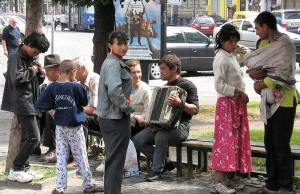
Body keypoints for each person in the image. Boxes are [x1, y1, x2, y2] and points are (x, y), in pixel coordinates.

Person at [247, 11, 299, 194]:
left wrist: (262, 83)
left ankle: (286, 186)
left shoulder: (285, 44)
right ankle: (272, 184)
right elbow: (256, 67)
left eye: (257, 28)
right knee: (269, 142)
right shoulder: (263, 44)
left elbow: (285, 72)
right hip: (268, 101)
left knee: (281, 145)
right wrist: (252, 75)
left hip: (285, 101)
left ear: (265, 26)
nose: (256, 32)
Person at [35, 60, 102, 194]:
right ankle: (88, 185)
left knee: (61, 157)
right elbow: (84, 102)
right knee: (81, 156)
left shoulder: (52, 87)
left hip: (60, 127)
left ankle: (60, 188)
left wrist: (55, 107)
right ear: (73, 72)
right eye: (75, 73)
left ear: (59, 71)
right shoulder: (76, 87)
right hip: (74, 127)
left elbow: (40, 103)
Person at [133, 54, 199, 181]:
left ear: (174, 68)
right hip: (161, 126)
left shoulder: (188, 85)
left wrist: (181, 104)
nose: (160, 71)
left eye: (163, 69)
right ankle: (166, 163)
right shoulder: (163, 87)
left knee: (161, 136)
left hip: (181, 126)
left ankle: (156, 170)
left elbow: (195, 109)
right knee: (138, 140)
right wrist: (152, 122)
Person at [209, 24, 252, 194]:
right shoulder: (221, 58)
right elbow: (219, 85)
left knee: (234, 141)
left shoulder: (230, 55)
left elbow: (246, 56)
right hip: (227, 104)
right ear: (222, 40)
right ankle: (219, 181)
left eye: (235, 41)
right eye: (230, 41)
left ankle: (228, 179)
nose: (233, 44)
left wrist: (240, 47)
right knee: (225, 142)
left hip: (235, 104)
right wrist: (238, 91)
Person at [1, 32, 50, 183]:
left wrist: (40, 73)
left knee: (26, 138)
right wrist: (33, 71)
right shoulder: (15, 57)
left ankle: (24, 168)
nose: (37, 54)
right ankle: (17, 168)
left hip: (31, 101)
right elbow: (16, 79)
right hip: (23, 102)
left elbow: (34, 83)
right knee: (34, 138)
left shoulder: (30, 58)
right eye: (35, 51)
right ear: (27, 45)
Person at [95, 59, 151, 173]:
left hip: (138, 123)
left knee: (121, 124)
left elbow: (148, 112)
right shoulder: (123, 88)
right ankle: (112, 158)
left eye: (139, 72)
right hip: (125, 118)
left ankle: (112, 159)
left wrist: (134, 116)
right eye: (134, 72)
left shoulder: (145, 90)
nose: (137, 75)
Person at [96, 31, 133, 194]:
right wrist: (128, 107)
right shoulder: (112, 64)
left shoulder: (114, 62)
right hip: (115, 118)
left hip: (112, 117)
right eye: (119, 44)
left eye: (125, 43)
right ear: (110, 46)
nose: (123, 47)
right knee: (115, 161)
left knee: (115, 160)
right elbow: (115, 92)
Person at [38, 54, 61, 162]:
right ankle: (36, 146)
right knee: (39, 112)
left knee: (49, 114)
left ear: (58, 69)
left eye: (49, 70)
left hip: (66, 111)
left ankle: (53, 147)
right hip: (55, 109)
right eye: (46, 70)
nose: (47, 73)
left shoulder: (65, 81)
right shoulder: (50, 82)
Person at [73, 57, 101, 143]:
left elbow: (94, 110)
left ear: (83, 69)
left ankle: (81, 154)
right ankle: (68, 151)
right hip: (90, 115)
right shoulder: (78, 83)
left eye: (74, 70)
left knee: (80, 118)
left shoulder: (95, 80)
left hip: (103, 117)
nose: (72, 73)